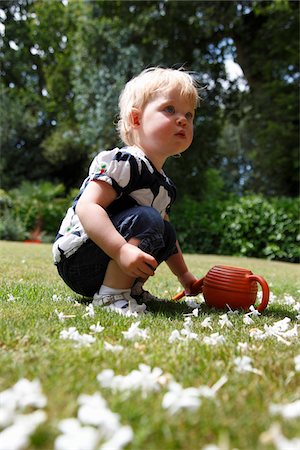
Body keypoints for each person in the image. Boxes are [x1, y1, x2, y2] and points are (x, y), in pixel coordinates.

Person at [53, 67, 200, 314]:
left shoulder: (164, 186)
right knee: (148, 219)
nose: (183, 119)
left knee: (165, 230)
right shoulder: (123, 162)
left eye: (189, 114)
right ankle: (111, 296)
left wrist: (185, 277)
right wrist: (121, 249)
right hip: (79, 258)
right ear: (136, 119)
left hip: (111, 259)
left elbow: (168, 240)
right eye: (169, 109)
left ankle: (129, 288)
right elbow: (88, 206)